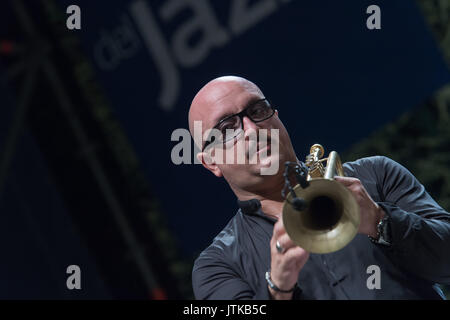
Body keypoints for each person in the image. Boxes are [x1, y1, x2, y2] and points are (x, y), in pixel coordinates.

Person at [188, 75, 450, 300]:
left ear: (276, 117)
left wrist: (381, 221)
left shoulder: (376, 174)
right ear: (211, 162)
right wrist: (278, 290)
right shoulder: (217, 266)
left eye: (257, 110)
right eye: (227, 127)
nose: (251, 129)